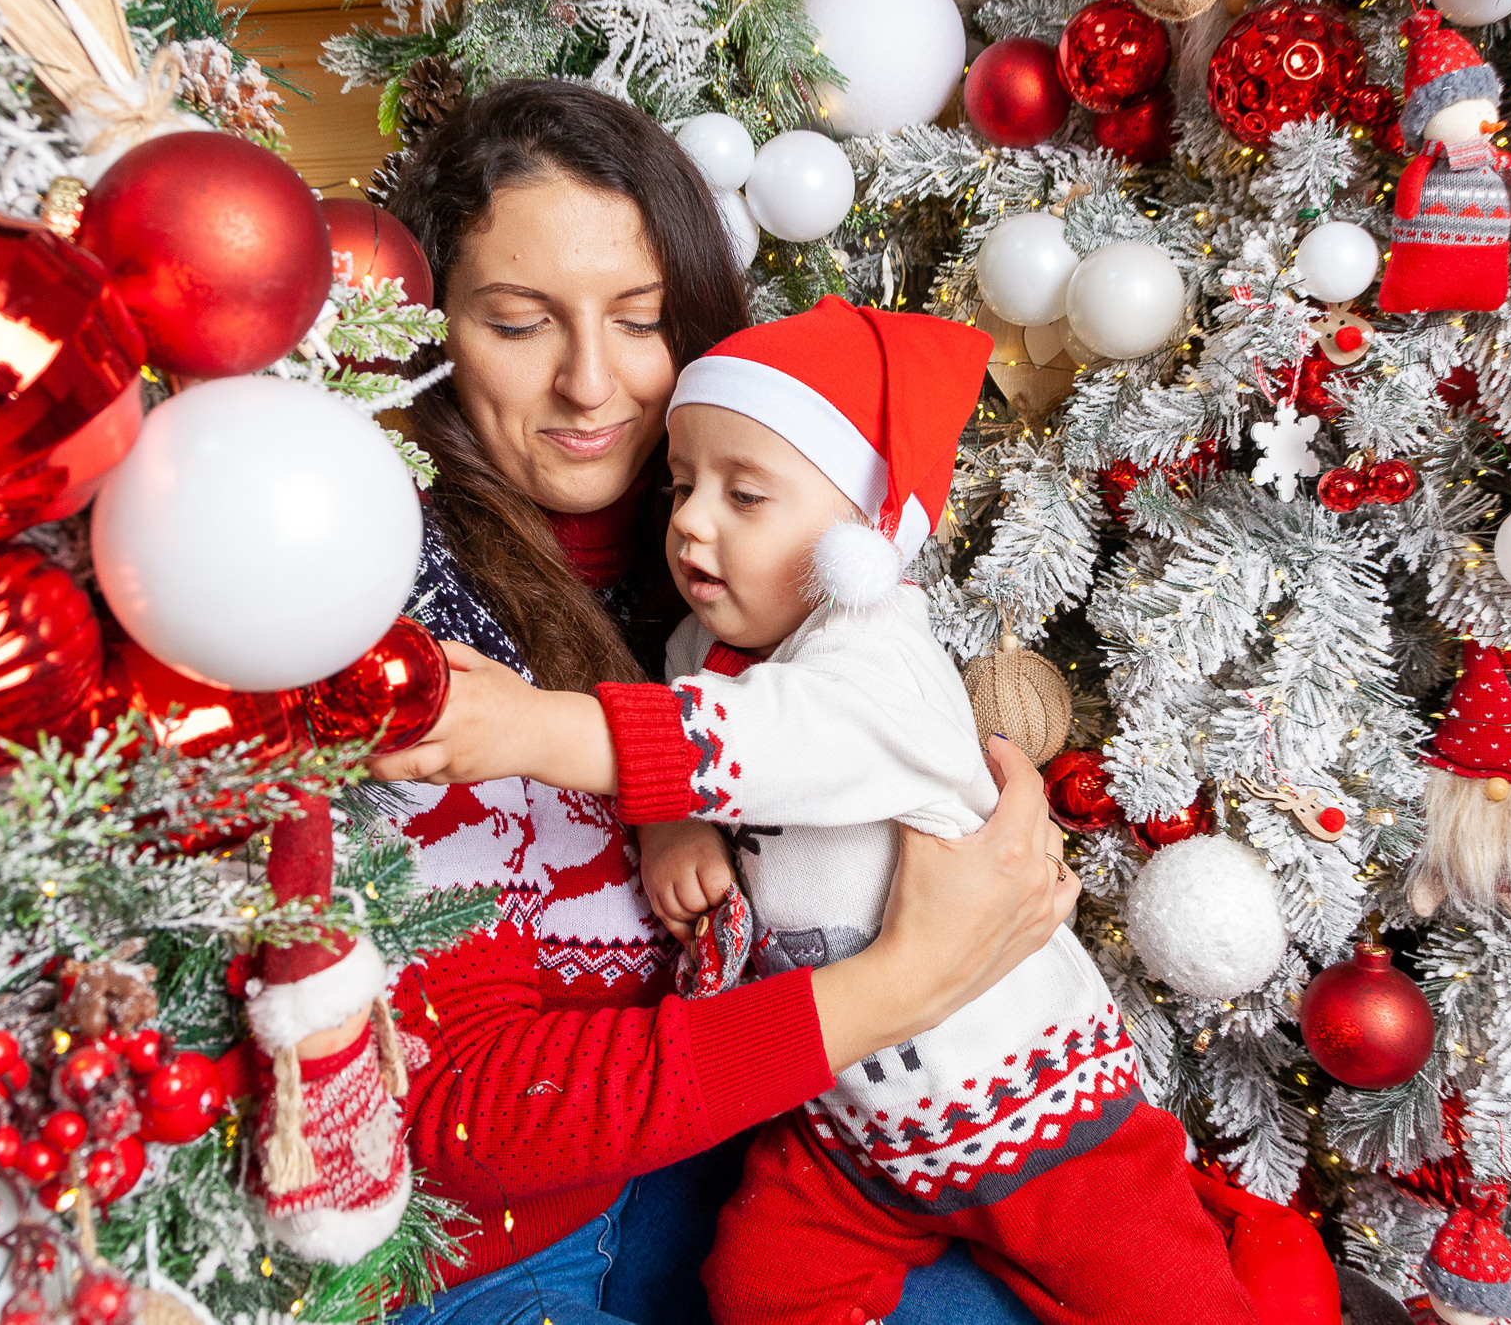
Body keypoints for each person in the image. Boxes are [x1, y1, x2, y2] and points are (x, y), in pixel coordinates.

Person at [262, 78, 1079, 1325]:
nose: (593, 385)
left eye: (639, 320)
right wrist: (902, 981)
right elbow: (458, 1113)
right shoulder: (387, 621)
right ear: (430, 329)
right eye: (519, 321)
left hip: (739, 1147)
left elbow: (854, 767)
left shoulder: (745, 552)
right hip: (487, 1246)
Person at [379, 297, 1261, 1325]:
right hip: (847, 1128)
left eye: (744, 494)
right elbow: (704, 735)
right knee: (757, 1289)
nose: (691, 521)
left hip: (1033, 1109)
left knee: (1169, 1296)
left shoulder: (876, 655)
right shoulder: (697, 652)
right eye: (682, 484)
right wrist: (672, 821)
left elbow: (774, 738)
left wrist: (538, 729)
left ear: (864, 534)